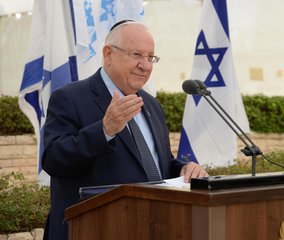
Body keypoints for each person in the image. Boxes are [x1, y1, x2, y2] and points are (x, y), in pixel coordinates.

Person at [41, 20, 208, 240]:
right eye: (137, 55)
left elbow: (158, 166)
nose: (146, 65)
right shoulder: (70, 98)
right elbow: (53, 159)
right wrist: (104, 130)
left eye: (151, 57)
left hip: (150, 228)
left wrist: (184, 170)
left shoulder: (152, 105)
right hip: (91, 231)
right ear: (108, 54)